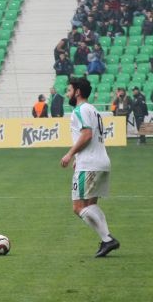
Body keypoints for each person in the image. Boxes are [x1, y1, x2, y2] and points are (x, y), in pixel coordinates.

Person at [60, 78, 119, 258]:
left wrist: (70, 154)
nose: (67, 93)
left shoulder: (80, 110)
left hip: (90, 164)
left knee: (78, 207)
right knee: (90, 205)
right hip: (100, 161)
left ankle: (108, 239)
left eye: (69, 90)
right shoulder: (93, 109)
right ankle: (106, 240)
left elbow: (87, 134)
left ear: (77, 92)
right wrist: (78, 156)